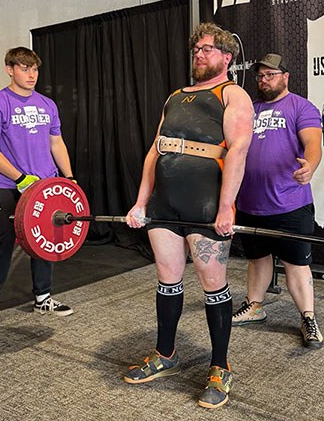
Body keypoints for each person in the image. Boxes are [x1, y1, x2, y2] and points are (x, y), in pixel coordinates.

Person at [124, 22, 253, 409]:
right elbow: (154, 151)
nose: (199, 53)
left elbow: (238, 151)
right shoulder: (176, 96)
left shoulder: (233, 94)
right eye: (196, 48)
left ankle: (220, 366)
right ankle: (166, 354)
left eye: (208, 49)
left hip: (205, 206)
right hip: (164, 204)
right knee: (167, 280)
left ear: (226, 57)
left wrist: (227, 205)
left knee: (213, 284)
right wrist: (140, 202)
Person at [0, 47, 75, 332]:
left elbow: (57, 143)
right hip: (6, 186)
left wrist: (68, 177)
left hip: (44, 185)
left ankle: (43, 297)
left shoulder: (47, 104)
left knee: (44, 241)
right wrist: (19, 178)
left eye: (35, 69)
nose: (31, 75)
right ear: (9, 69)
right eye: (24, 68)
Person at [231, 53, 324, 349]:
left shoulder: (301, 107)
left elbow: (313, 143)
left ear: (285, 77)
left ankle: (308, 318)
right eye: (260, 75)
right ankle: (255, 305)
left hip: (290, 204)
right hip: (250, 203)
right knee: (257, 259)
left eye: (271, 75)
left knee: (296, 263)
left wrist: (309, 166)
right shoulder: (249, 109)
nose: (264, 80)